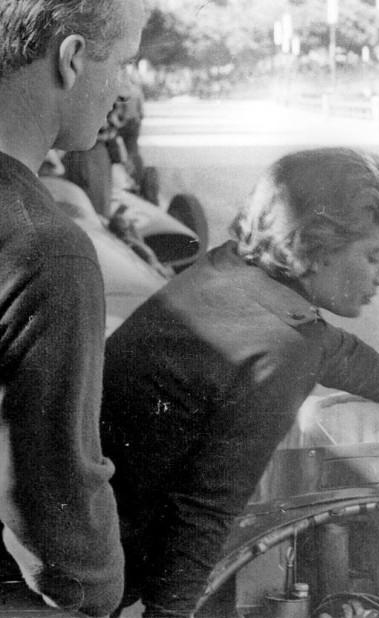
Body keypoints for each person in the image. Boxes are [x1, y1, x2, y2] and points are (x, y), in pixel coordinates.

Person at [100, 147, 379, 617]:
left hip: (88, 527)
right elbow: (205, 510)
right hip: (110, 567)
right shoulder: (284, 346)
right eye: (375, 256)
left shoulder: (231, 270)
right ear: (318, 247)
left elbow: (334, 349)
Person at [0, 1, 145, 616]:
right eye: (123, 63)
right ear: (73, 58)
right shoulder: (44, 247)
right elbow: (60, 523)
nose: (124, 88)